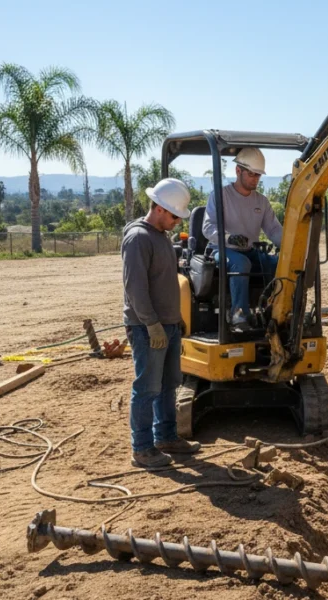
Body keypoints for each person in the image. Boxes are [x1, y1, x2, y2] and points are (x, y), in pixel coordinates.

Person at [122, 178, 201, 468]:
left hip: (166, 324)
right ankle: (141, 449)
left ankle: (166, 437)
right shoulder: (138, 238)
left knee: (169, 384)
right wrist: (152, 324)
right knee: (147, 387)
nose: (177, 222)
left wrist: (175, 318)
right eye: (174, 216)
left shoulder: (160, 236)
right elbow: (135, 288)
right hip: (147, 328)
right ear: (158, 208)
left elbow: (165, 283)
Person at [202, 147, 283, 328]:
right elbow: (208, 228)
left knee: (276, 263)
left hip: (249, 250)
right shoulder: (220, 196)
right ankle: (238, 315)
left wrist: (292, 245)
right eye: (252, 174)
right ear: (238, 171)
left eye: (258, 175)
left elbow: (274, 230)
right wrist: (229, 238)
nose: (255, 179)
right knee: (241, 264)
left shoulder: (261, 201)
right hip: (221, 250)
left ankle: (272, 309)